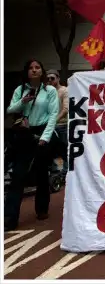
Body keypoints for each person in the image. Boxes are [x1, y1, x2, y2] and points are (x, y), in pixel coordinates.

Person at [5, 59, 59, 231]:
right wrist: (23, 101)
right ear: (26, 71)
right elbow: (10, 110)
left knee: (42, 173)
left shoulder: (50, 91)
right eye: (31, 68)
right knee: (18, 175)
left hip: (42, 132)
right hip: (23, 134)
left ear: (42, 71)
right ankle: (9, 217)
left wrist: (46, 136)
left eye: (37, 67)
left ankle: (42, 209)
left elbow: (53, 114)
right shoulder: (20, 89)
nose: (34, 70)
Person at [46, 69, 68, 174]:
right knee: (51, 149)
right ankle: (55, 171)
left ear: (58, 78)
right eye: (48, 79)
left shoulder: (64, 90)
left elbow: (66, 109)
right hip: (49, 125)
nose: (50, 80)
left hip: (62, 125)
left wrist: (53, 121)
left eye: (52, 78)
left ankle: (66, 172)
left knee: (65, 149)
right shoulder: (46, 91)